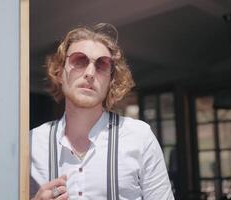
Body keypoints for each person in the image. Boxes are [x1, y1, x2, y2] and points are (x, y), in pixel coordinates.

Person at [30, 23, 174, 200]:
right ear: (60, 72)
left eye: (102, 65)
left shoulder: (139, 137)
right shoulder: (33, 143)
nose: (90, 73)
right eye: (79, 60)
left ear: (111, 80)